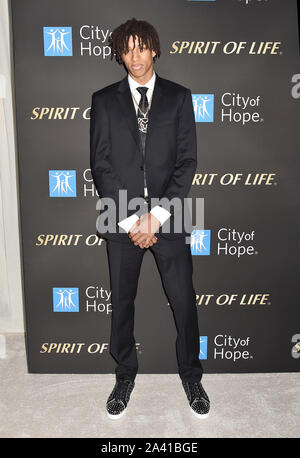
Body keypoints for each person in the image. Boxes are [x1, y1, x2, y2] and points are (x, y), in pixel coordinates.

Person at [90, 17, 210, 420]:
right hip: (119, 218)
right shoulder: (104, 100)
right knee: (122, 303)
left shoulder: (179, 97)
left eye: (142, 47)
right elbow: (101, 165)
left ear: (154, 49)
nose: (135, 56)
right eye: (127, 49)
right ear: (119, 54)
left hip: (170, 217)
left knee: (183, 302)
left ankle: (192, 376)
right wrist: (130, 221)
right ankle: (124, 374)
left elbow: (187, 161)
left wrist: (155, 217)